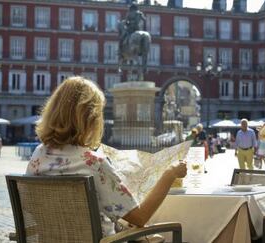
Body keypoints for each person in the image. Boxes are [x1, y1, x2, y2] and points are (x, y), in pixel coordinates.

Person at [25, 76, 187, 237]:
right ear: (90, 118)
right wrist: (170, 174)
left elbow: (33, 211)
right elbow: (140, 217)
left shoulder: (38, 155)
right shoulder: (93, 163)